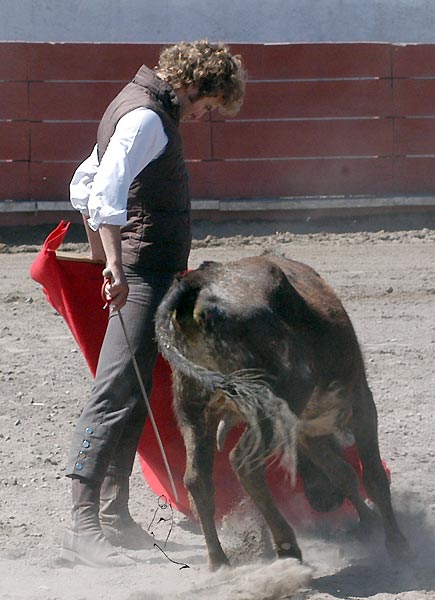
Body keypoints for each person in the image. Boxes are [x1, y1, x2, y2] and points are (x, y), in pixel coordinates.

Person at [60, 40, 246, 567]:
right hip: (143, 274)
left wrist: (103, 256)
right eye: (208, 105)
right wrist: (114, 265)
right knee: (114, 392)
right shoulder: (147, 118)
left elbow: (84, 181)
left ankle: (113, 516)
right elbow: (104, 190)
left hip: (146, 271)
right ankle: (83, 525)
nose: (203, 115)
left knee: (133, 392)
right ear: (195, 84)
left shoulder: (137, 105)